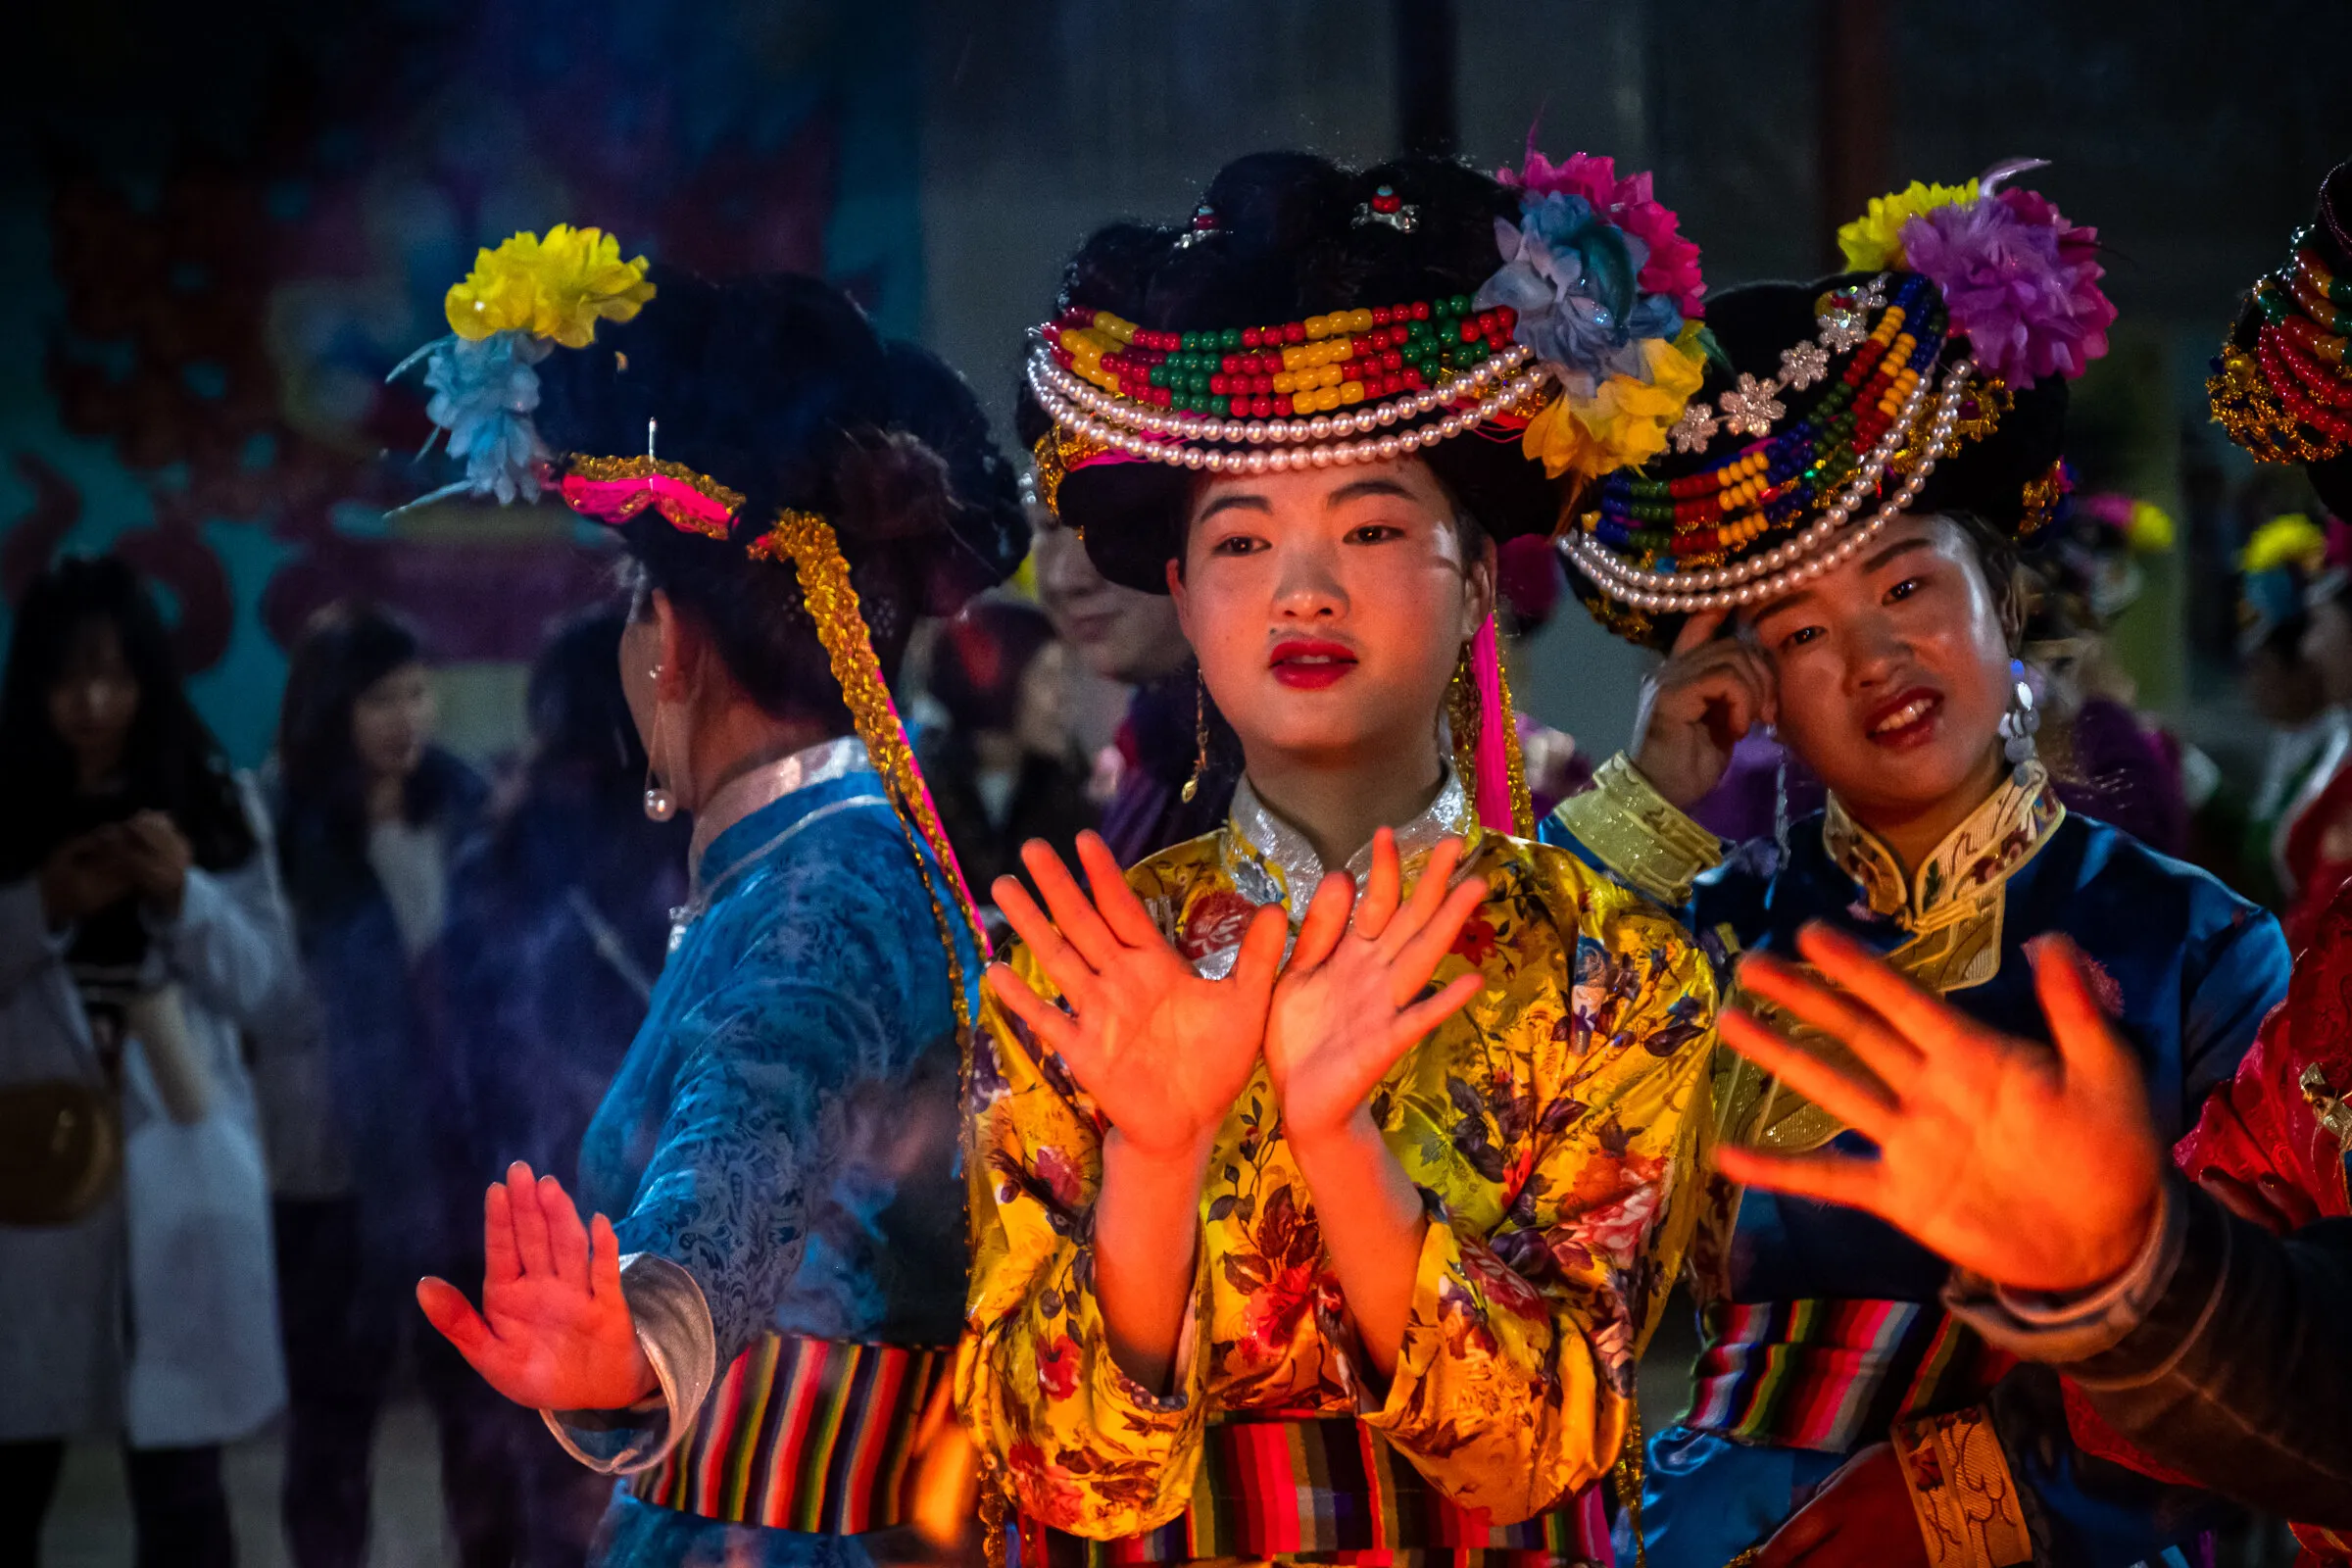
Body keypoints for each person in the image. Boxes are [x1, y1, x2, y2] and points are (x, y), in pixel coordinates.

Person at [958, 148, 1722, 1565]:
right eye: (1242, 543)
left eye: (1372, 526)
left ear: (1483, 576)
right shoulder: (1076, 975)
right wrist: (1157, 1156)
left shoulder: (1617, 972)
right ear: (1181, 600)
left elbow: (1542, 1456)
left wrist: (1339, 1141)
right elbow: (1052, 1478)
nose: (1304, 587)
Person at [1539, 167, 2291, 1567]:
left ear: (2003, 604)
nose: (1875, 659)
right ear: (1748, 681)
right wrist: (1637, 809)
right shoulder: (1702, 938)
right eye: (1803, 631)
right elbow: (1509, 1192)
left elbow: (2277, 1360)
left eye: (1904, 587)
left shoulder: (2196, 949)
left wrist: (1941, 1509)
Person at [397, 233, 1027, 1568]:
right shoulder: (847, 854)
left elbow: (746, 1138)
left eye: (637, 609)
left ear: (668, 641)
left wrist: (654, 1329)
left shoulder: (818, 893)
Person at [0, 556, 291, 1568]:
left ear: (149, 682)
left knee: (181, 1483)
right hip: (31, 1174)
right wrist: (43, 908)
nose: (92, 704)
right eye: (67, 678)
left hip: (180, 1162)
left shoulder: (208, 797)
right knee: (12, 1462)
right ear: (32, 684)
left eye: (116, 678)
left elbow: (270, 988)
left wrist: (184, 896)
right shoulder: (8, 800)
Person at [434, 607, 692, 1568]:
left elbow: (467, 1049)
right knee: (624, 1476)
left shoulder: (499, 838)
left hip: (514, 1210)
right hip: (637, 1205)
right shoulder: (682, 840)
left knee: (521, 1481)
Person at [269, 600, 494, 1568]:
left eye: (416, 692)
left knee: (479, 1414)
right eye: (380, 699)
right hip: (336, 1160)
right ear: (330, 708)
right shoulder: (285, 826)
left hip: (459, 1152)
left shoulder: (471, 810)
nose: (408, 717)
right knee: (333, 1417)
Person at [920, 597, 1099, 907]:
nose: (1064, 696)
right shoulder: (915, 795)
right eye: (1046, 676)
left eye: (1064, 676)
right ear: (996, 679)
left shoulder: (1070, 794)